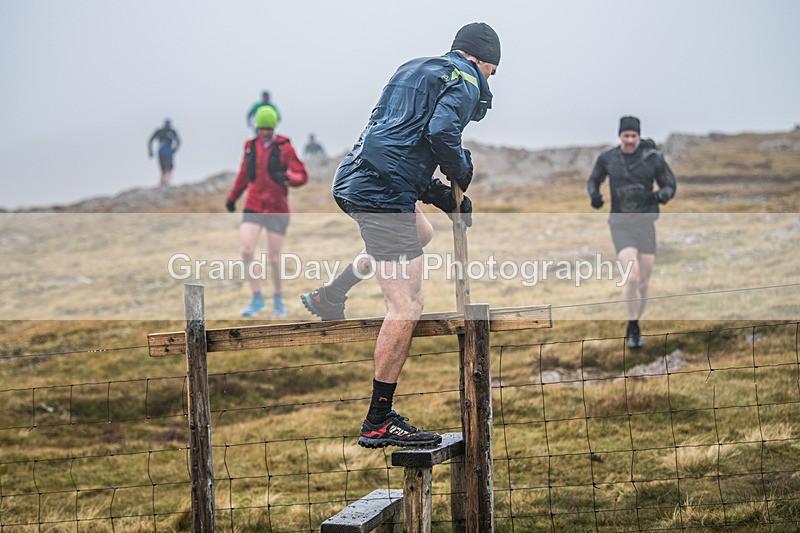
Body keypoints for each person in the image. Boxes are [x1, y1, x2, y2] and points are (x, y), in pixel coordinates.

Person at [300, 22, 500, 448]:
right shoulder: (465, 81)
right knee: (407, 304)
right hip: (381, 193)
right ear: (483, 61)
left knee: (422, 231)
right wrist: (460, 170)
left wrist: (444, 197)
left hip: (356, 177)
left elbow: (398, 145)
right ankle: (378, 420)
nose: (489, 80)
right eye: (493, 72)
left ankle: (332, 294)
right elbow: (441, 134)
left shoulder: (416, 69)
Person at [587, 116, 676, 349]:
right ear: (619, 136)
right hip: (620, 224)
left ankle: (634, 322)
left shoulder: (652, 158)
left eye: (633, 136)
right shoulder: (608, 158)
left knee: (644, 283)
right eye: (625, 136)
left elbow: (669, 184)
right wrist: (594, 196)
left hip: (646, 224)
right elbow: (593, 180)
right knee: (633, 277)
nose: (629, 140)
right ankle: (633, 325)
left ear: (638, 136)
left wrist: (663, 195)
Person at [226, 106, 308, 317]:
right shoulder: (249, 147)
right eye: (261, 128)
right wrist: (233, 197)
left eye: (268, 129)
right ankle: (257, 299)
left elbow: (302, 174)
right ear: (256, 128)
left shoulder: (285, 148)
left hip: (277, 208)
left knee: (273, 258)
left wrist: (289, 178)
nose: (264, 133)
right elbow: (244, 174)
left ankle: (278, 299)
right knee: (246, 251)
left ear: (274, 128)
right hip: (253, 204)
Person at [148, 118, 181, 186]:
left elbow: (150, 140)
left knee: (163, 169)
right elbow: (179, 141)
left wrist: (150, 151)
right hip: (168, 151)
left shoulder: (160, 131)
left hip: (160, 152)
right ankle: (165, 182)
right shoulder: (172, 131)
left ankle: (162, 183)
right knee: (169, 168)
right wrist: (174, 150)